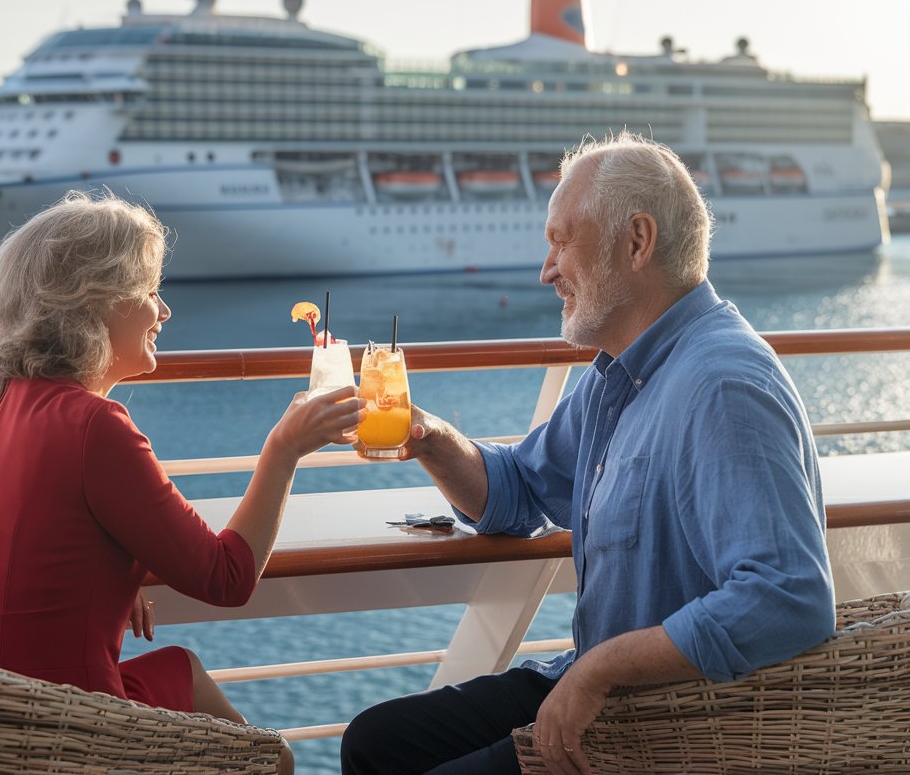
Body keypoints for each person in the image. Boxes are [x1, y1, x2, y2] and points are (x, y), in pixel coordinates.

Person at [341, 132, 836, 775]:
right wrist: (428, 436)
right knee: (375, 741)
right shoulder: (617, 375)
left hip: (671, 726)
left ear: (637, 241)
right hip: (596, 689)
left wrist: (600, 668)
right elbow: (516, 490)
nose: (546, 271)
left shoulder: (723, 386)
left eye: (561, 241)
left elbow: (789, 598)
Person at [0, 190, 362, 775]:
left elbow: (36, 540)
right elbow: (227, 578)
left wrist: (115, 566)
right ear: (99, 302)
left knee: (182, 672)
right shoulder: (94, 426)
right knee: (271, 759)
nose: (164, 310)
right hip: (63, 732)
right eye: (150, 290)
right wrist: (284, 448)